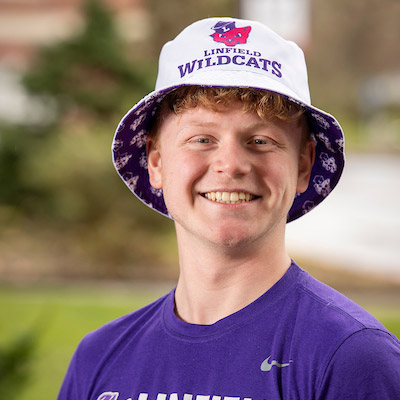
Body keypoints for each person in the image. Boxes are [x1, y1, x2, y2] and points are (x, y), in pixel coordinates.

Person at [58, 17, 400, 400]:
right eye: (202, 138)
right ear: (156, 161)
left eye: (261, 140)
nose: (231, 164)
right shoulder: (99, 358)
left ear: (303, 165)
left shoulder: (350, 358)